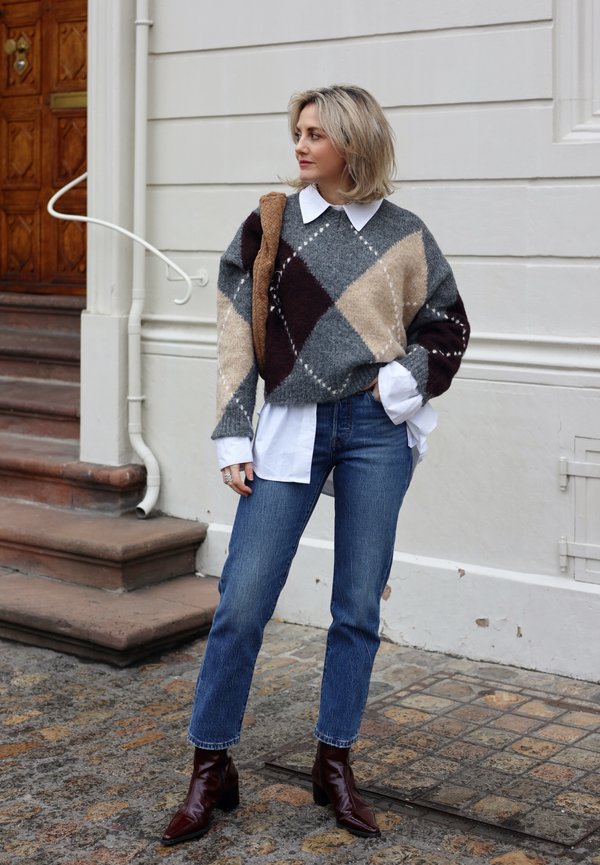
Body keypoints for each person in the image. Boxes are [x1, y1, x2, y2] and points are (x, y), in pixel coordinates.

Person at [161, 84, 470, 846]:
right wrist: (234, 433)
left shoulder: (403, 234)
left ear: (353, 145)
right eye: (297, 132)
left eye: (315, 134)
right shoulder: (272, 223)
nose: (299, 145)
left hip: (373, 429)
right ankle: (210, 765)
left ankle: (334, 763)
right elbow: (236, 330)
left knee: (357, 607)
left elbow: (449, 324)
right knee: (241, 602)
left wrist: (403, 381)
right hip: (291, 423)